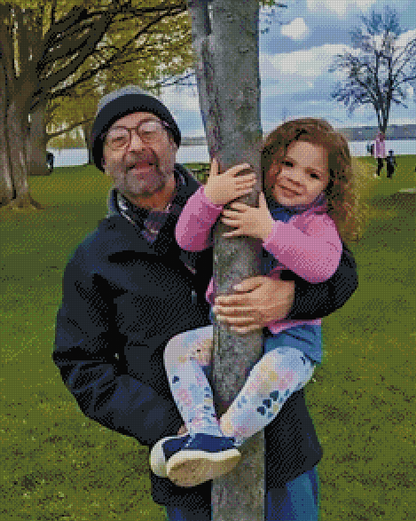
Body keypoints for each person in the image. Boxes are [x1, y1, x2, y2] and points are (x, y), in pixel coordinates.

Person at [52, 86, 358, 521]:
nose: (136, 146)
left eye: (149, 130)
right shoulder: (93, 260)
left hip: (281, 451)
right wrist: (167, 424)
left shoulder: (239, 197)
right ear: (103, 161)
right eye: (117, 139)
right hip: (190, 474)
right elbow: (83, 367)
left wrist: (292, 298)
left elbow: (338, 269)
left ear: (173, 141)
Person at [151, 118, 357, 490]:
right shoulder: (246, 201)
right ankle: (201, 429)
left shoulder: (316, 222)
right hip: (231, 330)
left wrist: (269, 231)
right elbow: (188, 238)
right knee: (179, 349)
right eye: (288, 163)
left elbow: (324, 266)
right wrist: (210, 197)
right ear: (270, 158)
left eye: (313, 175)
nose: (295, 178)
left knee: (270, 376)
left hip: (292, 343)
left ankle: (222, 440)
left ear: (329, 186)